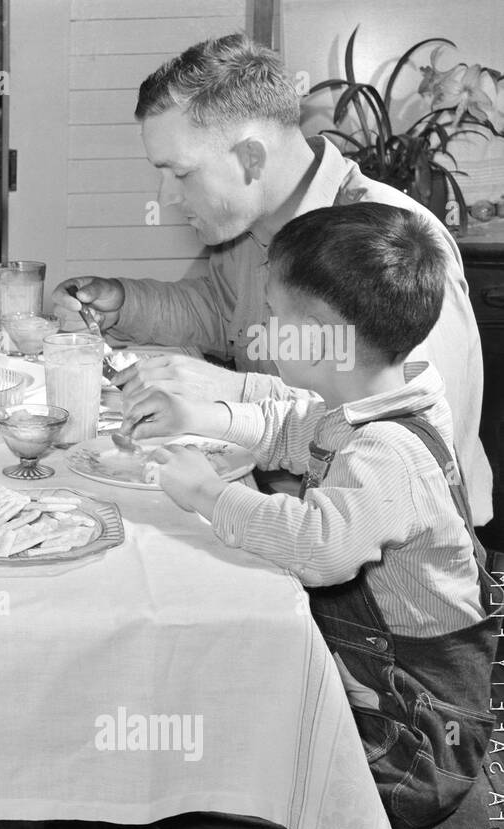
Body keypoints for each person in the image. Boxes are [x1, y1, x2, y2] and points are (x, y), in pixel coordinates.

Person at [123, 202, 498, 829]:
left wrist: (206, 492)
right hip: (372, 691)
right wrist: (197, 410)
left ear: (326, 334)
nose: (260, 333)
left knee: (181, 823)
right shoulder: (371, 404)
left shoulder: (388, 455)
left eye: (274, 317)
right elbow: (291, 429)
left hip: (409, 742)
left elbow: (319, 544)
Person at [50, 33, 492, 525]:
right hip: (279, 503)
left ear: (252, 157)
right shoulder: (250, 225)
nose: (168, 196)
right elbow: (221, 310)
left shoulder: (388, 242)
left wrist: (230, 393)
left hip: (383, 564)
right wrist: (125, 303)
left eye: (180, 173)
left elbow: (417, 429)